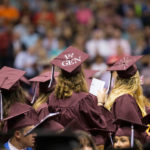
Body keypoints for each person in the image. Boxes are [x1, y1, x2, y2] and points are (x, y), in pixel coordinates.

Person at [47, 46, 115, 148]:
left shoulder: (52, 98)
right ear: (81, 74)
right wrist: (100, 103)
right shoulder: (85, 98)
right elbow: (101, 126)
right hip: (83, 146)